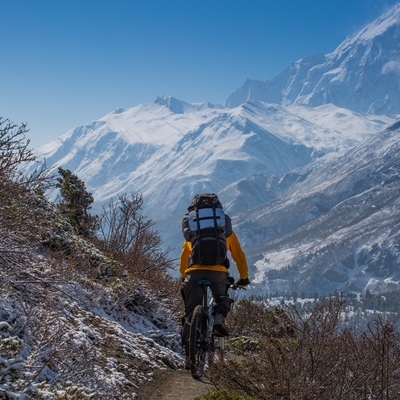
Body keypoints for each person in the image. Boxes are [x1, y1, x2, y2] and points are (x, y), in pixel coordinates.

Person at [180, 193, 250, 367]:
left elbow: (184, 257)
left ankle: (189, 357)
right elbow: (239, 255)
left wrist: (184, 275)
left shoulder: (194, 230)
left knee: (189, 314)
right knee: (222, 298)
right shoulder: (224, 231)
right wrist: (244, 278)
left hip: (194, 274)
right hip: (218, 274)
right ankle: (218, 317)